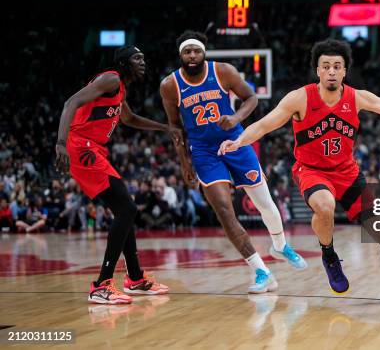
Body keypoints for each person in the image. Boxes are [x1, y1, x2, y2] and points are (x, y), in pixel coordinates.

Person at [219, 39, 380, 301]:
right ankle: (329, 255)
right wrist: (239, 141)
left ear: (344, 71)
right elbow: (263, 125)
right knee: (325, 205)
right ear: (318, 70)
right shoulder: (299, 98)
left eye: (337, 66)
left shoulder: (357, 97)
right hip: (311, 171)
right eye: (326, 66)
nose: (331, 71)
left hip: (348, 172)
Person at [160, 30, 307, 294]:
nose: (192, 56)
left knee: (265, 204)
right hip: (204, 152)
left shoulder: (223, 71)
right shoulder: (170, 85)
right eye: (186, 52)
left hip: (236, 143)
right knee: (225, 213)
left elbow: (251, 98)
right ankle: (262, 271)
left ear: (204, 52)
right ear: (180, 55)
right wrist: (184, 162)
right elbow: (174, 128)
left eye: (196, 50)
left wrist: (236, 118)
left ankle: (280, 245)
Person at [55, 46, 174, 304]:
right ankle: (101, 285)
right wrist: (61, 143)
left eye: (144, 57)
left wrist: (165, 127)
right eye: (137, 58)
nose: (143, 62)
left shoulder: (120, 89)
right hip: (80, 146)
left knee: (125, 209)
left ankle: (135, 278)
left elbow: (130, 119)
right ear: (123, 63)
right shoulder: (110, 78)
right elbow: (70, 102)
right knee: (127, 208)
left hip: (94, 149)